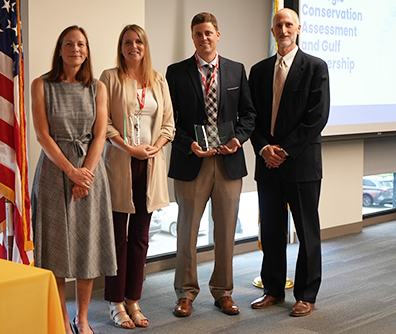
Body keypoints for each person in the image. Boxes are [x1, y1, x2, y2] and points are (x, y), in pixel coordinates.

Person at [166, 12, 256, 317]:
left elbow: (249, 115)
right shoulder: (176, 73)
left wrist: (238, 140)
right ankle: (186, 293)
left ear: (218, 34)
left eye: (208, 33)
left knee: (226, 232)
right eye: (198, 34)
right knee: (187, 232)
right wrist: (187, 144)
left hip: (228, 162)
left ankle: (223, 292)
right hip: (192, 161)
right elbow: (169, 120)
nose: (203, 38)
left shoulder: (235, 70)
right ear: (192, 38)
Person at [30, 26, 117, 334]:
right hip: (55, 172)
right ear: (60, 49)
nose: (75, 49)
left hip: (91, 174)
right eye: (69, 44)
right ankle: (61, 319)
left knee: (87, 246)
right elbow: (42, 134)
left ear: (87, 50)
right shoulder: (40, 84)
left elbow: (99, 134)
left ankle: (82, 317)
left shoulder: (98, 87)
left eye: (81, 44)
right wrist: (71, 171)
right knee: (54, 248)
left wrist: (86, 176)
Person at [248, 8, 330, 317]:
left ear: (298, 28)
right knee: (271, 231)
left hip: (301, 164)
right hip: (267, 164)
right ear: (272, 31)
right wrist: (264, 148)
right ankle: (272, 289)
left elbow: (317, 117)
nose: (283, 29)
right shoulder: (258, 71)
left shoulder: (316, 67)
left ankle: (306, 294)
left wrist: (283, 150)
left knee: (307, 232)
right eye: (278, 25)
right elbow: (250, 117)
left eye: (288, 24)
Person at [100, 24, 175, 329]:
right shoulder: (109, 77)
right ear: (121, 47)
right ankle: (116, 303)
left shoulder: (158, 80)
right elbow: (102, 121)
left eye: (139, 42)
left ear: (145, 46)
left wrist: (153, 148)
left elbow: (169, 123)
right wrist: (128, 148)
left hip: (150, 164)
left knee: (141, 238)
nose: (134, 46)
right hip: (120, 163)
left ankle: (133, 299)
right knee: (117, 236)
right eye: (128, 42)